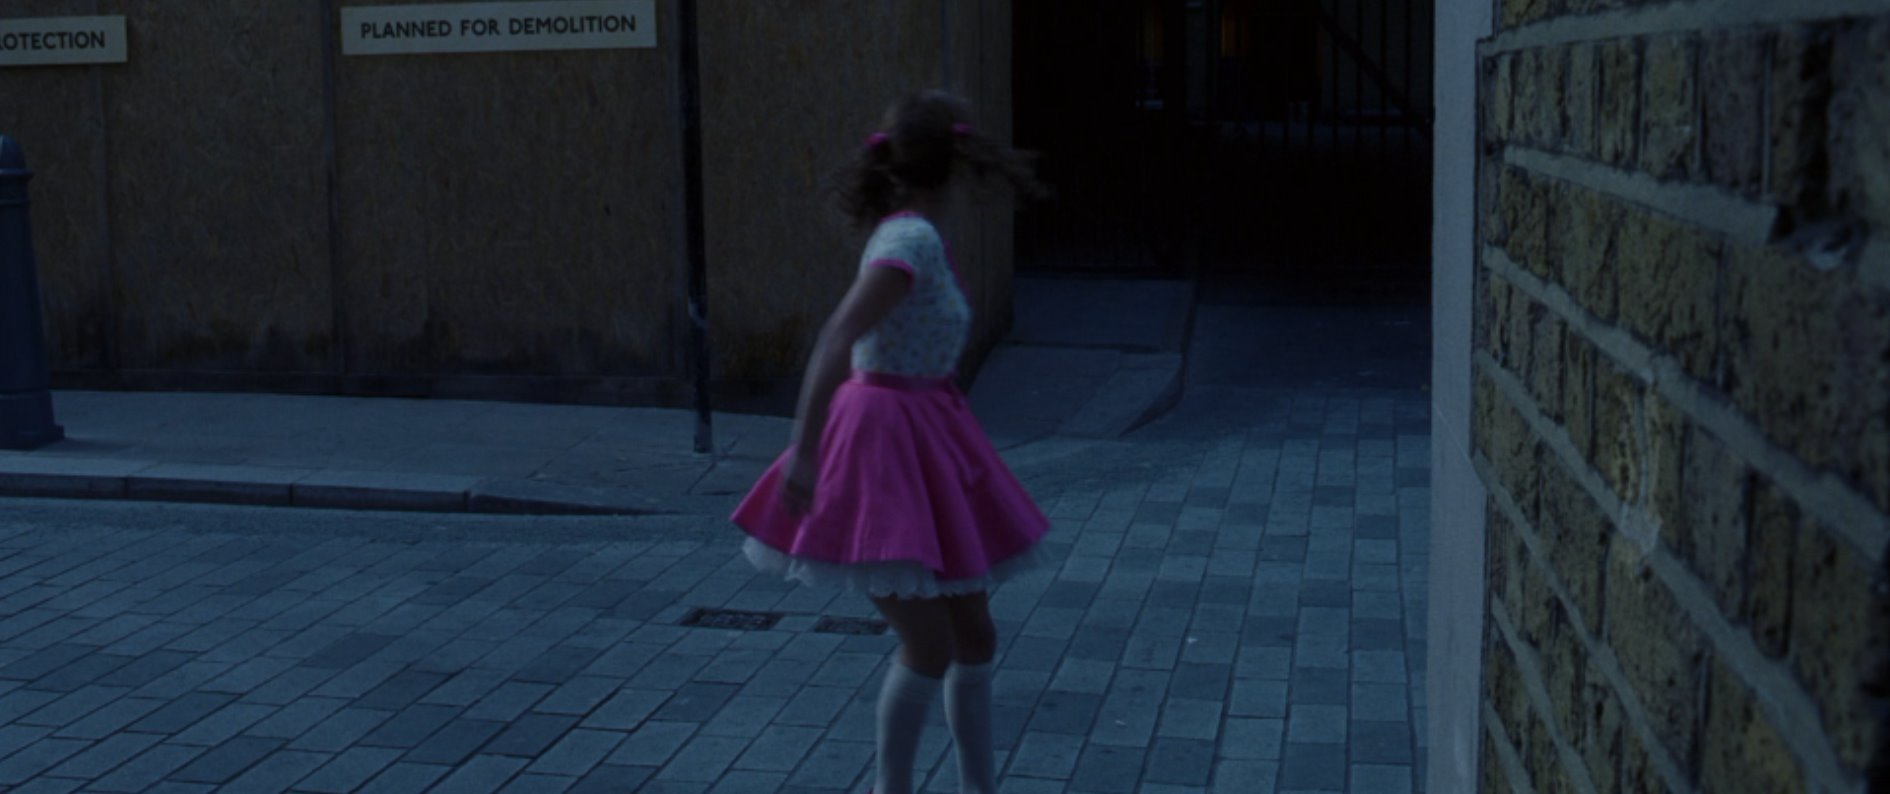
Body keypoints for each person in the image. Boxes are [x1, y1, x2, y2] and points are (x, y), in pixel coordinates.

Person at [729, 90, 1052, 794]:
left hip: (929, 430)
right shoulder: (910, 241)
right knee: (929, 644)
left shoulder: (915, 235)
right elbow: (838, 337)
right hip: (884, 441)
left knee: (974, 635)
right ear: (953, 163)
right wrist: (805, 451)